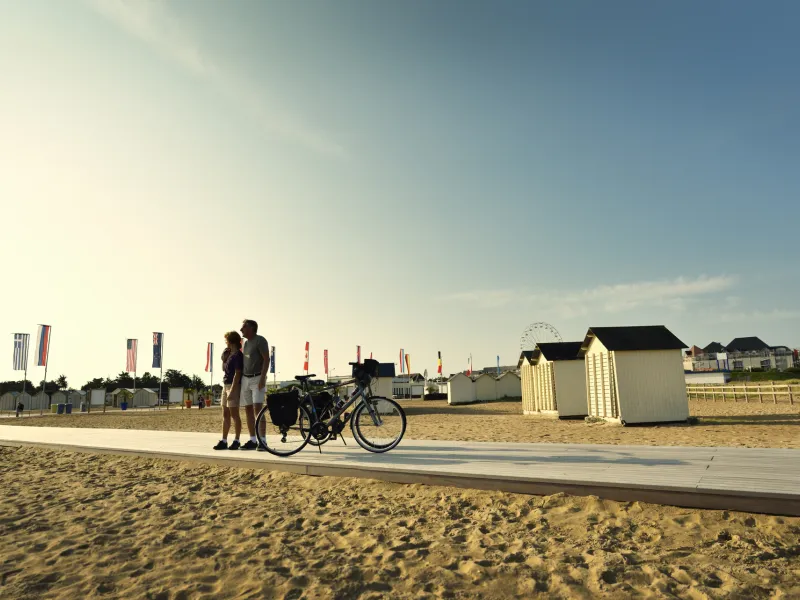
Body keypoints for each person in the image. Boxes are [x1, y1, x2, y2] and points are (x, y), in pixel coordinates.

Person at [239, 319, 270, 451]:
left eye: (243, 327)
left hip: (257, 378)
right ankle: (253, 440)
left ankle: (263, 441)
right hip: (245, 379)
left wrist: (262, 378)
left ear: (251, 328)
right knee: (248, 410)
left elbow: (266, 359)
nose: (241, 330)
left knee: (258, 409)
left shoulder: (260, 340)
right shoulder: (245, 343)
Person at [214, 331, 244, 450]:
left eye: (226, 340)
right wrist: (224, 359)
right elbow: (224, 369)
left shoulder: (238, 355)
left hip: (233, 385)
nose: (225, 342)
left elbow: (238, 373)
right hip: (225, 384)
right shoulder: (229, 353)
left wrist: (232, 390)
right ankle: (224, 440)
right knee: (225, 414)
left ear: (231, 341)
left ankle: (237, 440)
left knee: (234, 414)